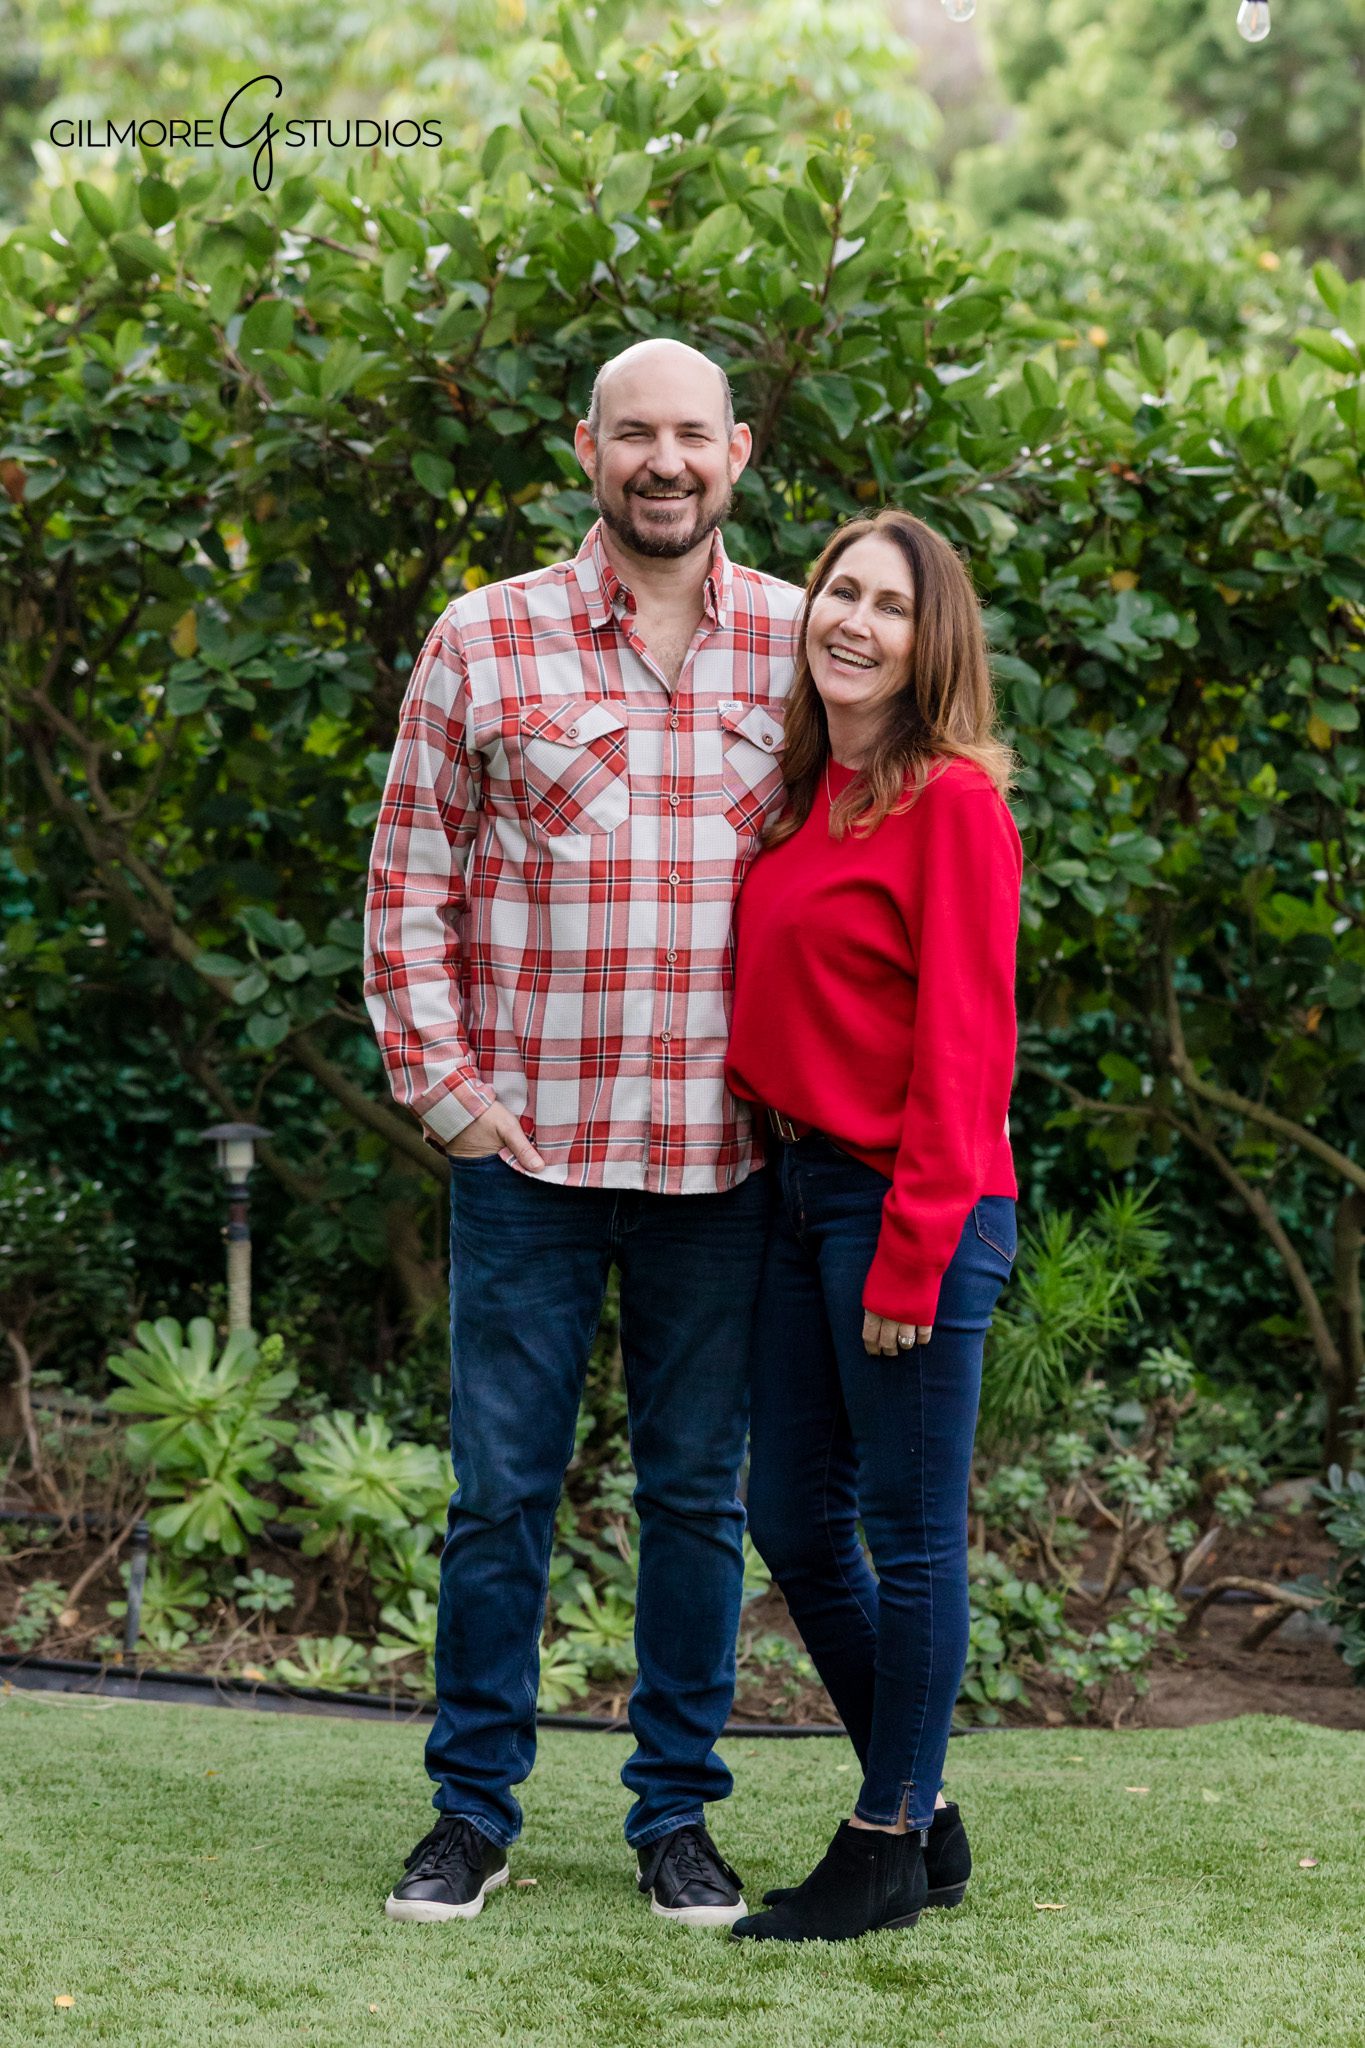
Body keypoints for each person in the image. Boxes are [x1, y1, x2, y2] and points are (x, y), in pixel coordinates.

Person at [363, 338, 804, 1927]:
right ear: (586, 448)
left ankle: (673, 1817)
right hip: (530, 1159)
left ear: (737, 452)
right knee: (500, 1494)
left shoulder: (804, 647)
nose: (663, 463)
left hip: (724, 1163)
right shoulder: (482, 640)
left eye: (691, 435)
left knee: (699, 1498)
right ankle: (470, 1813)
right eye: (636, 436)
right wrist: (454, 1103)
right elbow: (407, 883)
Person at [723, 509, 1022, 1944]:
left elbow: (965, 1046)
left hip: (909, 1203)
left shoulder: (951, 803)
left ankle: (884, 1838)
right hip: (792, 1194)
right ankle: (928, 1808)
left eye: (888, 606)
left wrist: (912, 1247)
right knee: (787, 1513)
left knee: (906, 1537)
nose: (851, 619)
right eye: (838, 590)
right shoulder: (800, 802)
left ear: (929, 642)